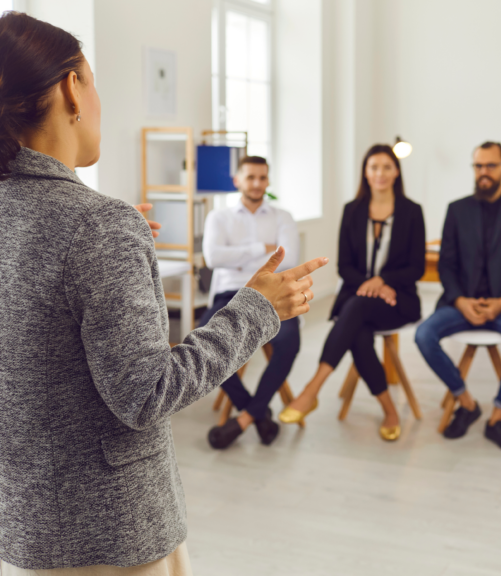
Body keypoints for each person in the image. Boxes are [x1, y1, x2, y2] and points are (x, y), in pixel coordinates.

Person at [0, 12, 327, 573]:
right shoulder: (96, 226)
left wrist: (112, 246)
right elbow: (146, 394)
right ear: (71, 90)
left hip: (21, 526)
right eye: (94, 81)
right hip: (110, 537)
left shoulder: (78, 223)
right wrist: (257, 308)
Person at [279, 144, 425, 442]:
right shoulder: (352, 210)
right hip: (359, 297)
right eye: (373, 167)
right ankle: (390, 411)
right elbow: (345, 265)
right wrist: (371, 285)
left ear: (396, 171)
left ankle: (312, 390)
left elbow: (416, 267)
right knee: (358, 330)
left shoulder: (412, 212)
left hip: (397, 300)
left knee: (355, 310)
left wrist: (383, 281)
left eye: (386, 167)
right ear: (365, 172)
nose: (380, 173)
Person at [415, 141, 501, 453]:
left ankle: (498, 417)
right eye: (478, 166)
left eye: (490, 166)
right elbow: (446, 263)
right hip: (462, 303)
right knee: (423, 335)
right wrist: (460, 301)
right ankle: (466, 403)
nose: (483, 172)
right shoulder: (457, 209)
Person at [203, 156, 301, 450]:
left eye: (262, 177)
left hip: (273, 295)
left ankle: (244, 418)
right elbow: (213, 258)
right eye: (251, 177)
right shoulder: (218, 217)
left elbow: (290, 259)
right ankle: (257, 412)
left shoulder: (282, 217)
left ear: (268, 181)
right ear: (238, 181)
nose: (257, 183)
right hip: (229, 293)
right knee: (205, 340)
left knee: (289, 341)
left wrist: (236, 256)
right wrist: (262, 250)